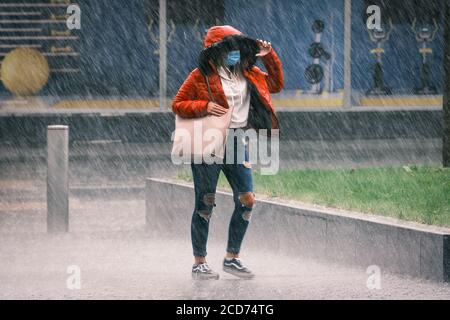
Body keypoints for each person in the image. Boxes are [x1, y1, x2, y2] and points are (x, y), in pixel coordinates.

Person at [172, 25, 284, 280]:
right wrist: (205, 106)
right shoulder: (199, 76)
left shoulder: (249, 72)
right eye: (228, 48)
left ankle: (232, 258)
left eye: (237, 48)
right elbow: (177, 104)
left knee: (247, 200)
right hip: (208, 142)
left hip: (237, 140)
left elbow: (276, 84)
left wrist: (269, 55)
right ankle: (199, 262)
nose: (233, 53)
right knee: (205, 202)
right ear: (216, 51)